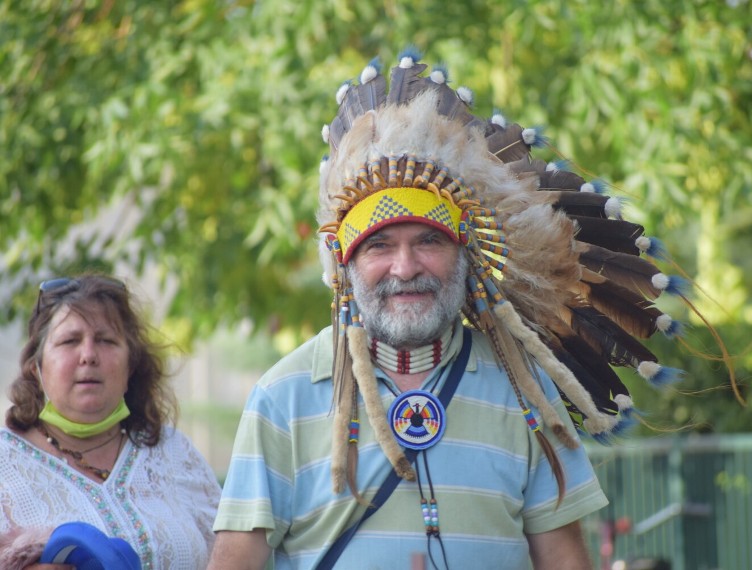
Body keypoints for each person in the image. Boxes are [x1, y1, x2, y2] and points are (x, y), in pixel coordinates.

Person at [210, 50, 693, 569]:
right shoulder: (283, 397)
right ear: (345, 265)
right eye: (378, 246)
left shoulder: (526, 389)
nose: (405, 267)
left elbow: (565, 560)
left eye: (429, 241)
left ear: (466, 255)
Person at [0, 275, 221, 570]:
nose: (89, 355)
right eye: (69, 341)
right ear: (36, 369)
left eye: (106, 340)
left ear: (131, 366)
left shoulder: (176, 454)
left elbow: (237, 556)